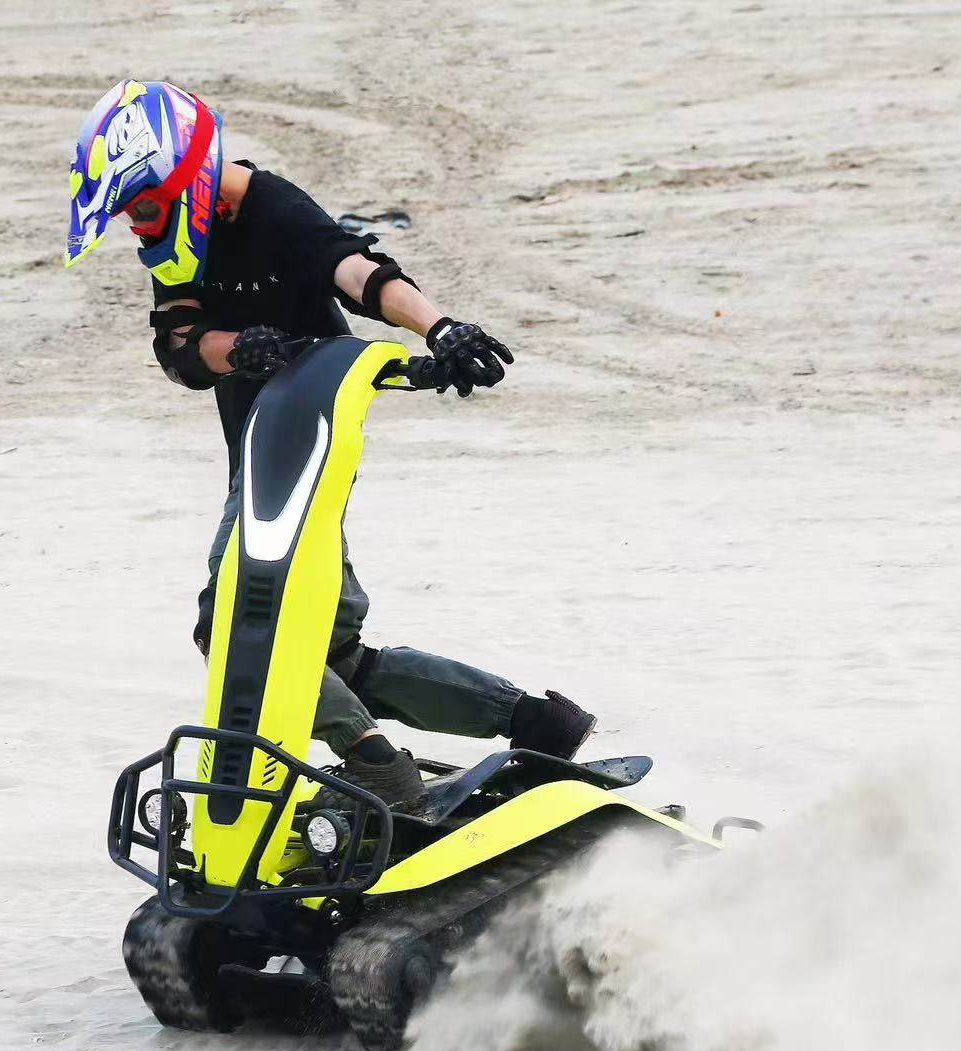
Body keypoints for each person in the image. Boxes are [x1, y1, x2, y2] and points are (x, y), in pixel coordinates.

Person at [66, 79, 594, 810]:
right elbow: (181, 347)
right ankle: (535, 722)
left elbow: (356, 273)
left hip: (303, 451)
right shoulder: (177, 246)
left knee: (233, 629)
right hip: (262, 456)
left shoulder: (272, 208)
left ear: (184, 180)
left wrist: (439, 328)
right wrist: (238, 347)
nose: (135, 225)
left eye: (142, 207)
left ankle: (378, 767)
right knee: (333, 657)